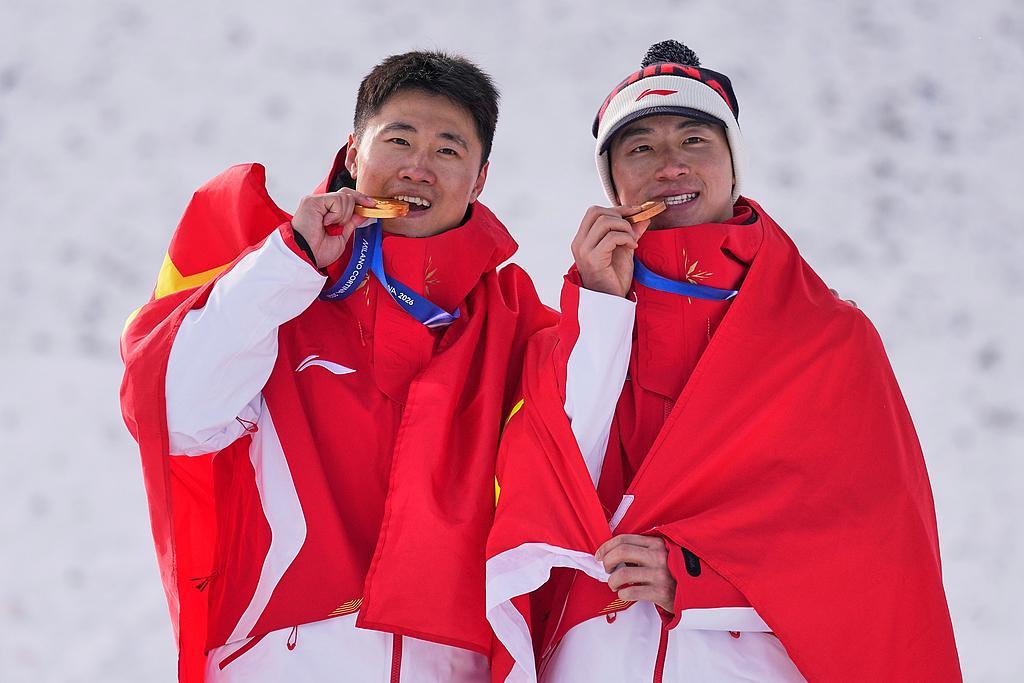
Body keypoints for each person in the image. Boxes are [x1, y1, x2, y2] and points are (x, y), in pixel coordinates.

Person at [485, 40, 961, 681]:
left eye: (695, 140)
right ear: (613, 182)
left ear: (733, 165)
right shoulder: (570, 333)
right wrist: (598, 308)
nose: (670, 166)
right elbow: (552, 497)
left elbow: (877, 551)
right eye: (640, 149)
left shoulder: (829, 340)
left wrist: (700, 577)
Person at [119, 51, 556, 682]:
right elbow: (177, 418)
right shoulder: (275, 283)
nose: (418, 168)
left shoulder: (517, 326)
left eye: (448, 150)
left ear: (480, 178)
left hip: (448, 659)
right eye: (399, 140)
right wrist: (291, 263)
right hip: (287, 656)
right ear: (353, 153)